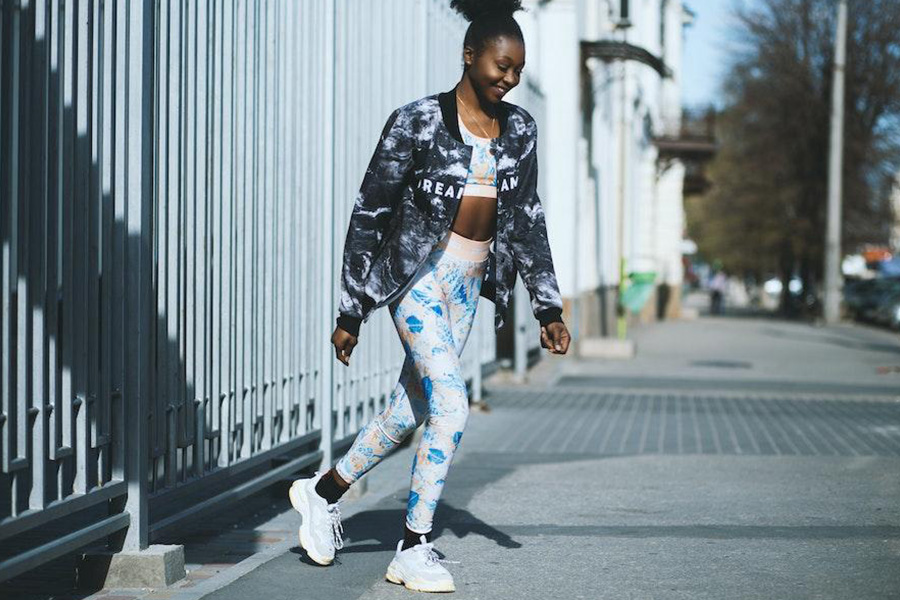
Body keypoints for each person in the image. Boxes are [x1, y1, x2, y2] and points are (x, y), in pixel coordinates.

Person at [289, 0, 571, 592]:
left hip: (469, 285)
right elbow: (371, 212)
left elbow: (526, 219)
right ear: (469, 56)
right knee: (450, 403)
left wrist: (547, 305)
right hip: (415, 277)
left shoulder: (521, 129)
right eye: (500, 65)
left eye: (518, 70)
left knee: (408, 413)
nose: (508, 78)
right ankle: (414, 546)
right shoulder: (415, 121)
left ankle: (321, 493)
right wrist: (352, 307)